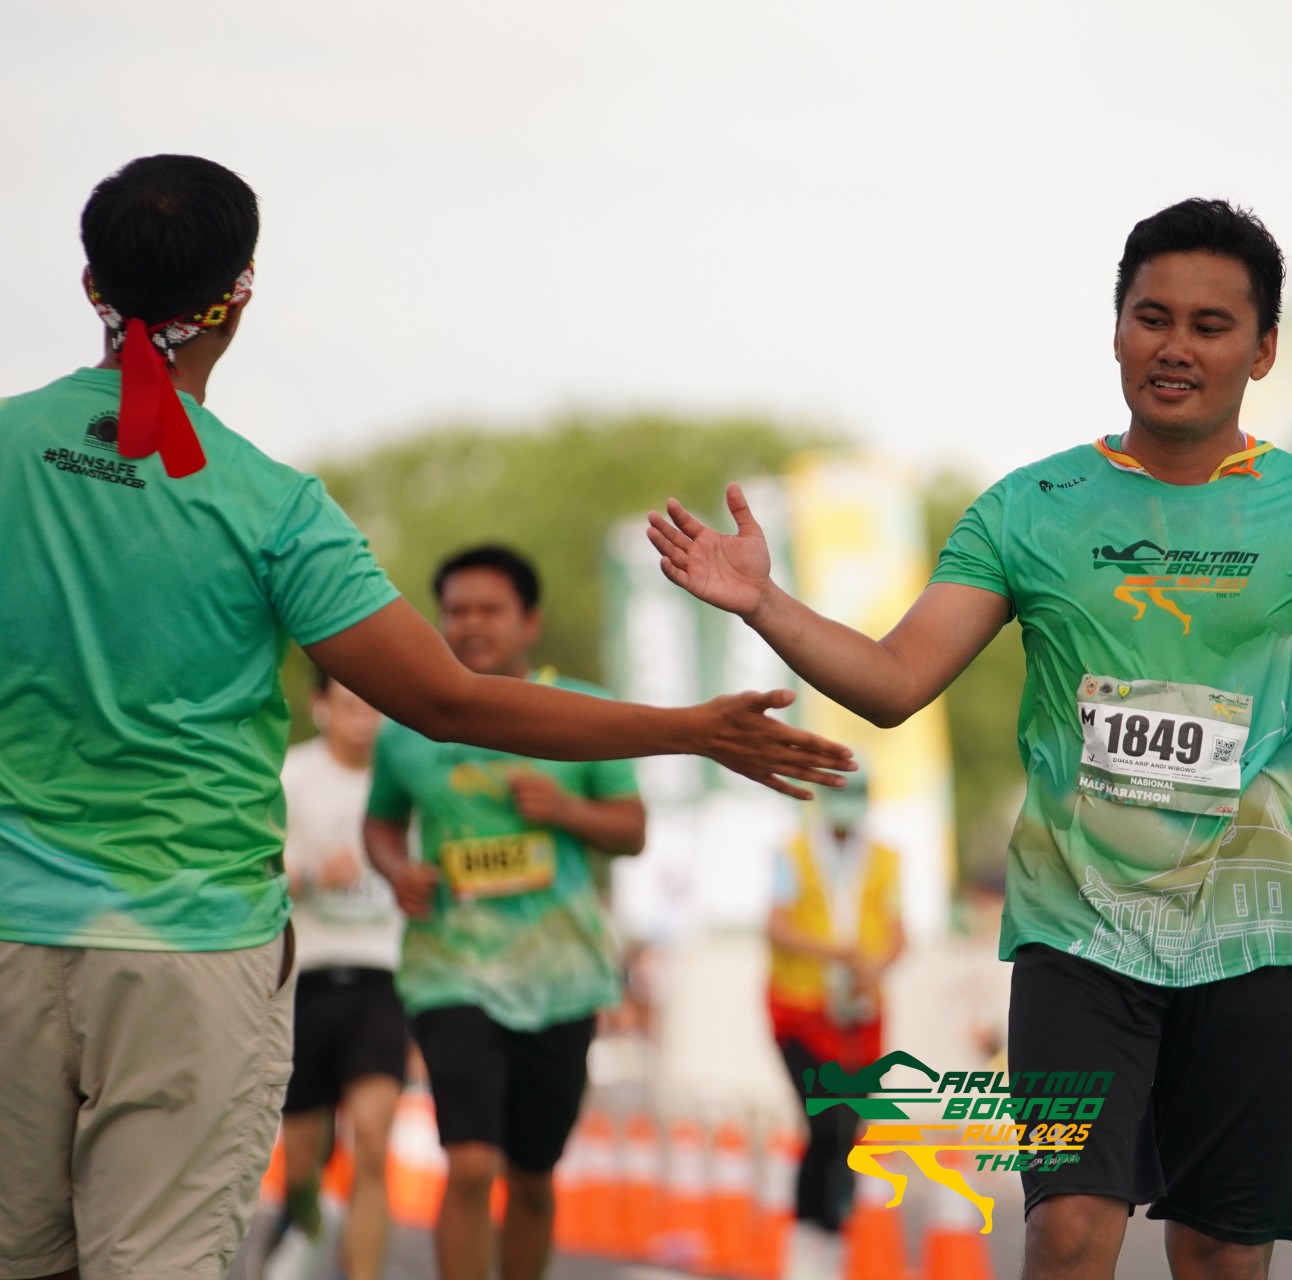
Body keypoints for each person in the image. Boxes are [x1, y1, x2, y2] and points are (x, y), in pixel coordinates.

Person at [0, 154, 851, 1280]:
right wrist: (689, 726)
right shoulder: (269, 508)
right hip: (187, 948)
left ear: (90, 284)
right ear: (240, 293)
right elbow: (446, 700)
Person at [649, 198, 1292, 1278]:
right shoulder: (1029, 507)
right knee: (1069, 1230)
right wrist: (764, 602)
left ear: (1263, 350)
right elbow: (894, 681)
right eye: (1151, 317)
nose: (1174, 346)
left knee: (1222, 1256)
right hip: (1076, 937)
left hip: (1253, 936)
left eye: (1210, 325)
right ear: (1116, 328)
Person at [363, 545, 651, 1280]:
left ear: (530, 621)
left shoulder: (586, 712)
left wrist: (566, 810)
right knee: (469, 1164)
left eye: (489, 610)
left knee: (530, 1177)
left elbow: (632, 831)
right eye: (456, 611)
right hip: (450, 969)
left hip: (563, 978)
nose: (471, 624)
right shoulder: (408, 724)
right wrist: (397, 871)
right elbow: (382, 823)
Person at [267, 671, 405, 1280]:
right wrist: (317, 874)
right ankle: (298, 1239)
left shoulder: (406, 779)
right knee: (303, 1163)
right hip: (307, 978)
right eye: (350, 705)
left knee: (373, 1142)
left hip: (383, 978)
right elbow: (255, 877)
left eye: (374, 706)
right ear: (320, 706)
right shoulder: (290, 777)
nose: (364, 719)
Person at [765, 770, 906, 1278]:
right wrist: (834, 952)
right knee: (825, 1122)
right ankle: (807, 1241)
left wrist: (873, 969)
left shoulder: (886, 859)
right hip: (800, 1009)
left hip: (860, 1016)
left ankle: (832, 1242)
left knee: (849, 1129)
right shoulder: (793, 853)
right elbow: (776, 925)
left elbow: (897, 932)